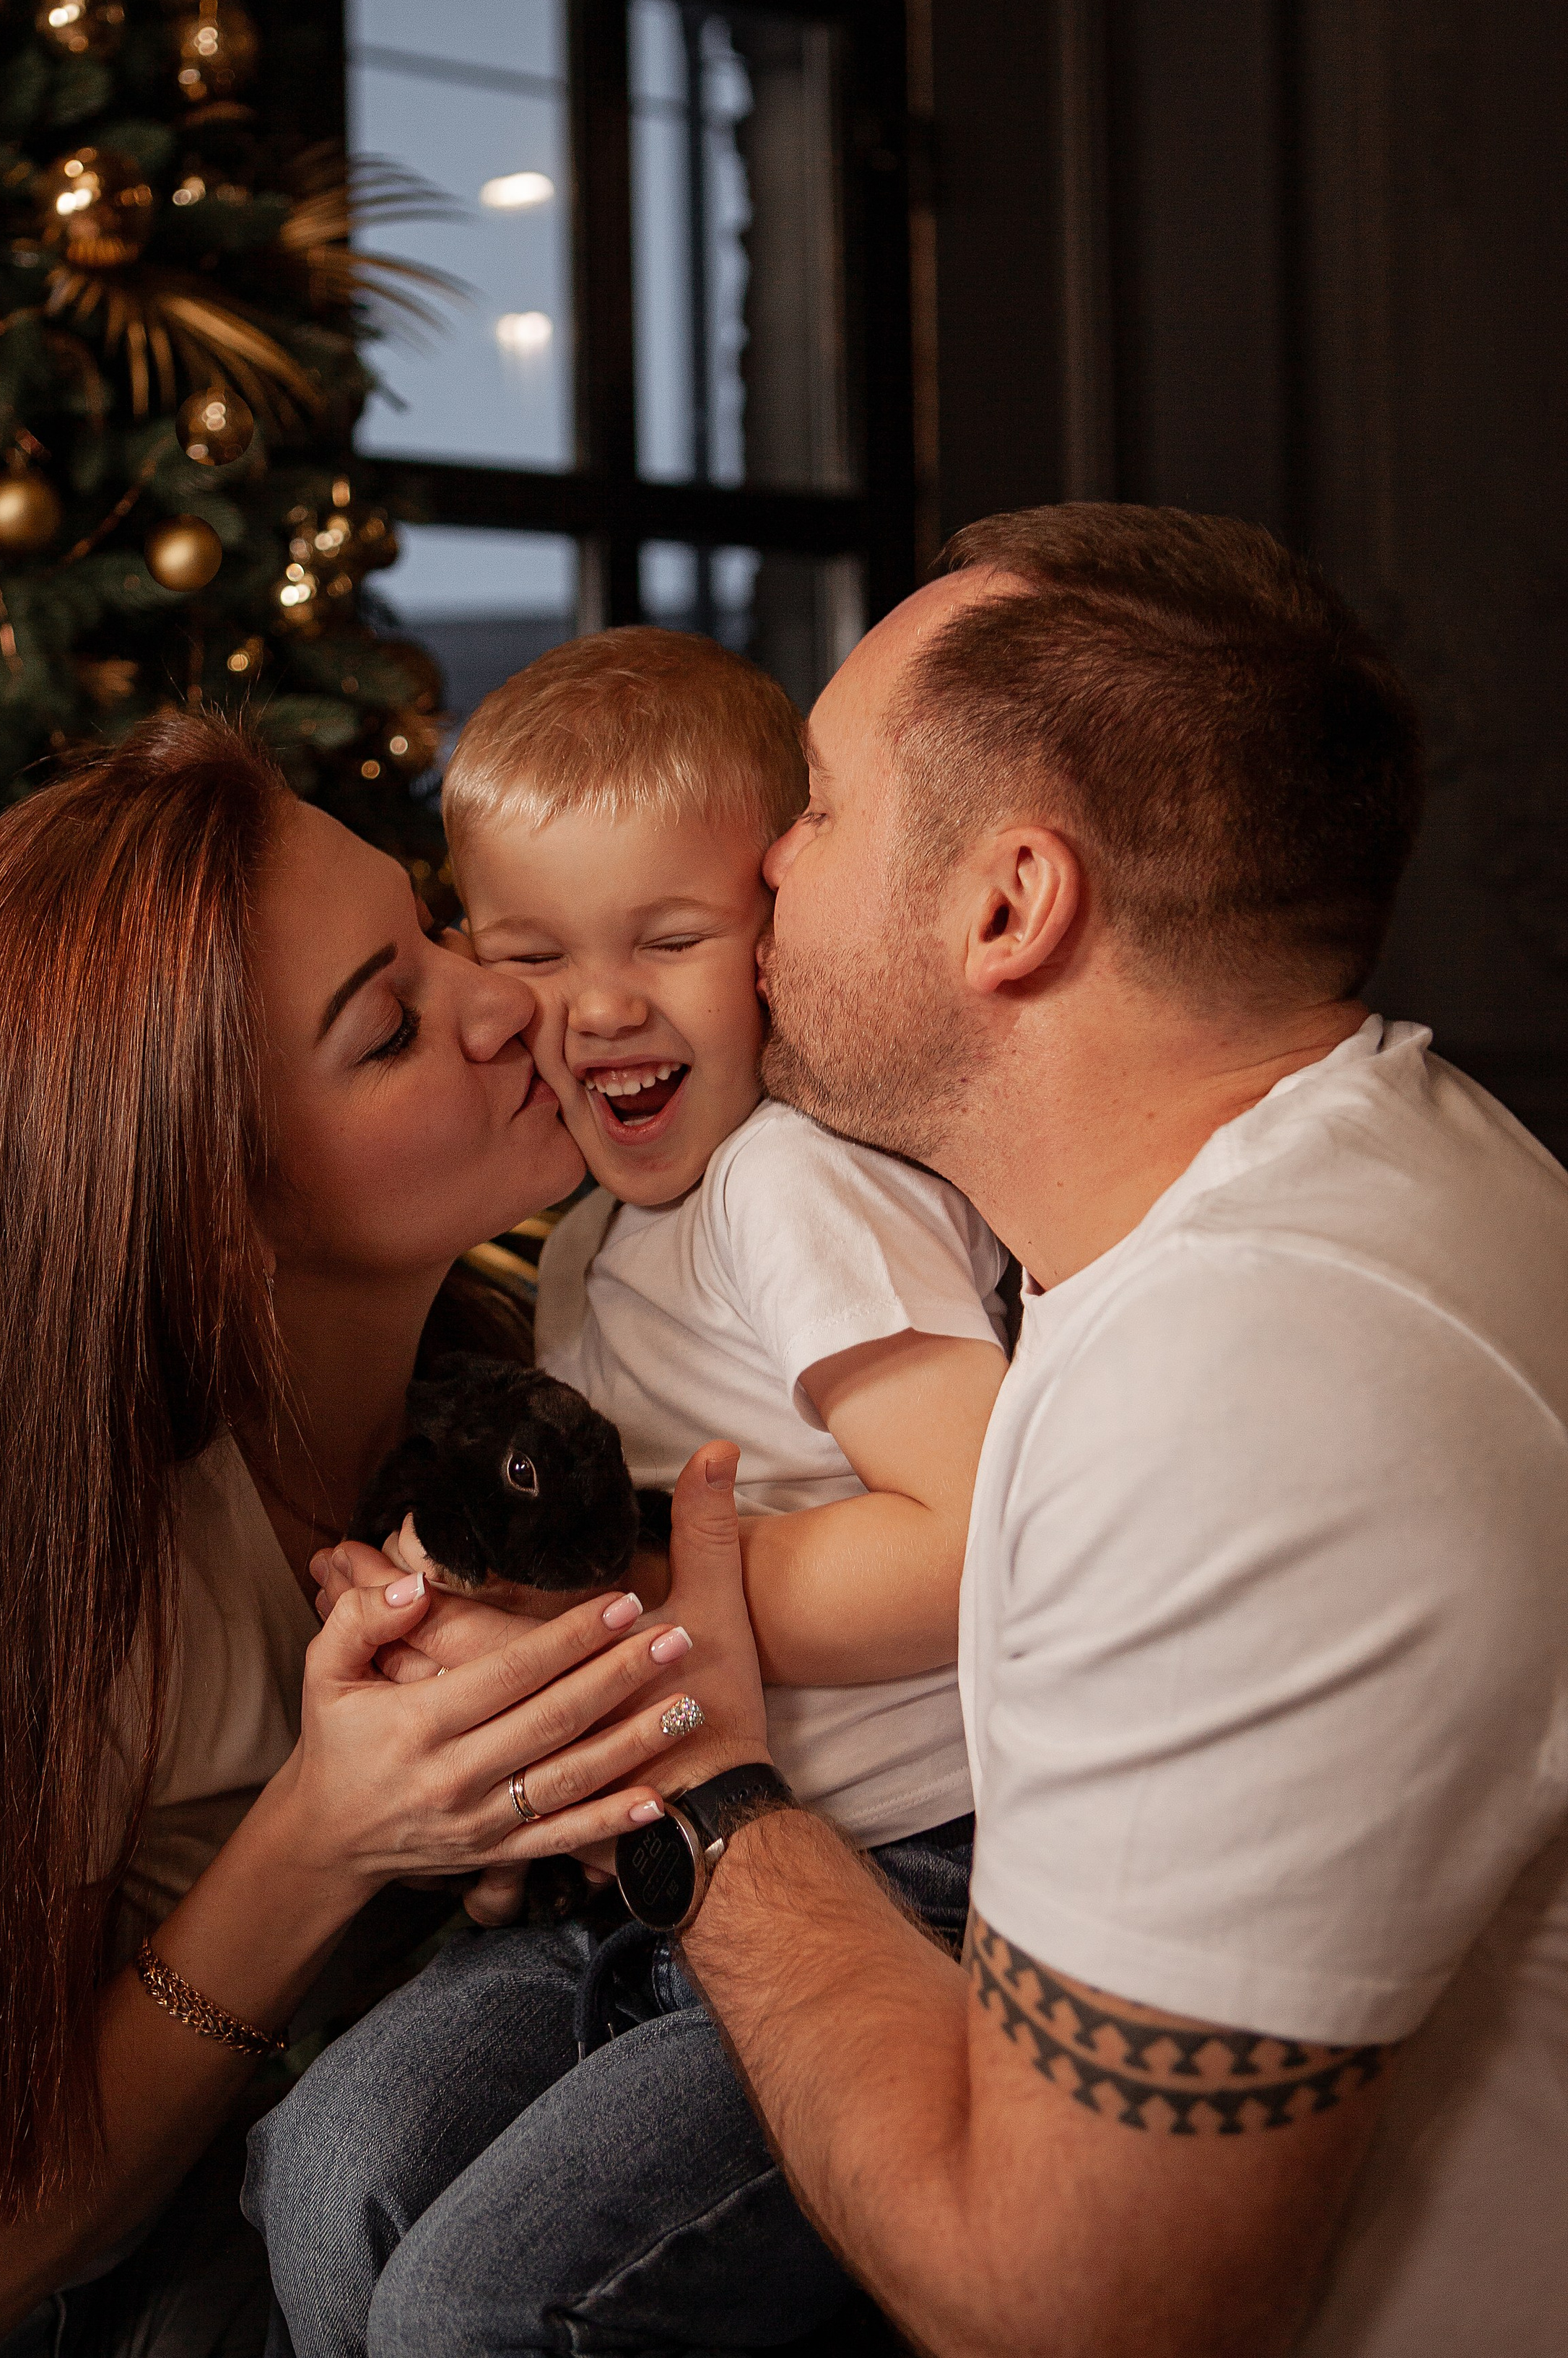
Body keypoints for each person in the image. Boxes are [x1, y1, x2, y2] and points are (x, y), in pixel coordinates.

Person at [653, 503, 1568, 2358]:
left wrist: (703, 1800)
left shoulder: (1246, 1384)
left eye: (818, 801)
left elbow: (1058, 2312)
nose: (760, 854)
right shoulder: (1362, 1180)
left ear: (1006, 904)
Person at [0, 713, 720, 2358]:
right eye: (392, 1026)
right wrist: (327, 1839)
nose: (502, 1000)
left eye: (429, 927)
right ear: (208, 1206)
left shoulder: (506, 1380)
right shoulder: (65, 1577)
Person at [245, 629, 1009, 2357]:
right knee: (319, 2168)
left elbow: (982, 1539)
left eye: (667, 939)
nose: (595, 1005)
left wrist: (628, 1612)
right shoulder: (588, 1235)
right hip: (632, 1873)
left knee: (476, 2304)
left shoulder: (788, 1187)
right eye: (528, 950)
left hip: (890, 1887)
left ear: (774, 936)